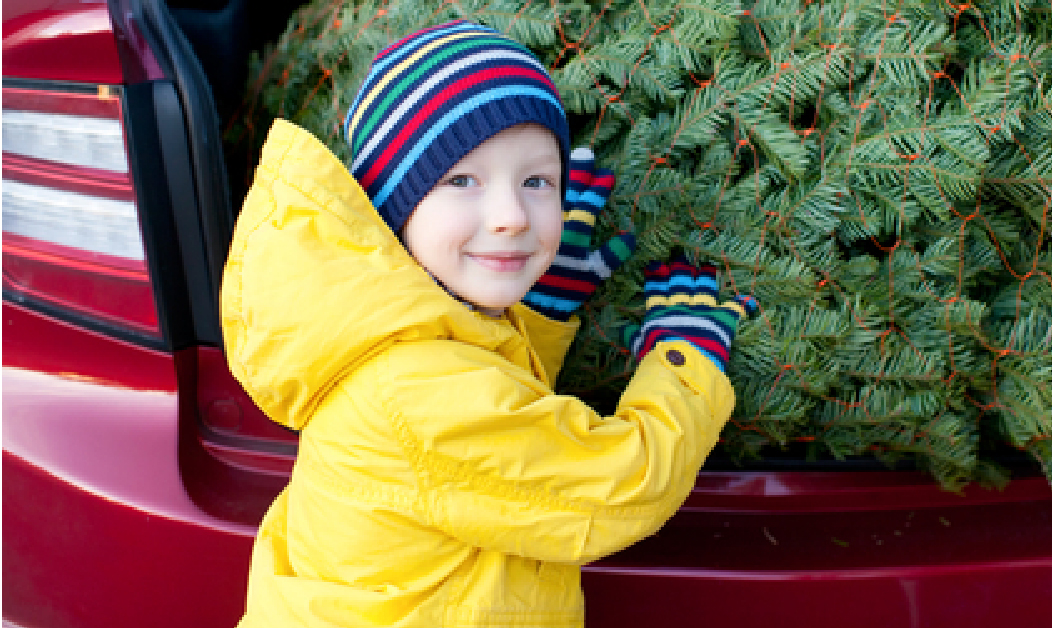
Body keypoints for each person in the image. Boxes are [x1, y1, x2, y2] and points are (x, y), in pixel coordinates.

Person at [221, 19, 755, 628]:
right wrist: (685, 360)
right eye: (462, 181)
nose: (509, 217)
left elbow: (490, 411)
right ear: (395, 209)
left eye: (535, 182)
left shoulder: (401, 338)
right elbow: (619, 486)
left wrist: (539, 315)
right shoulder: (415, 395)